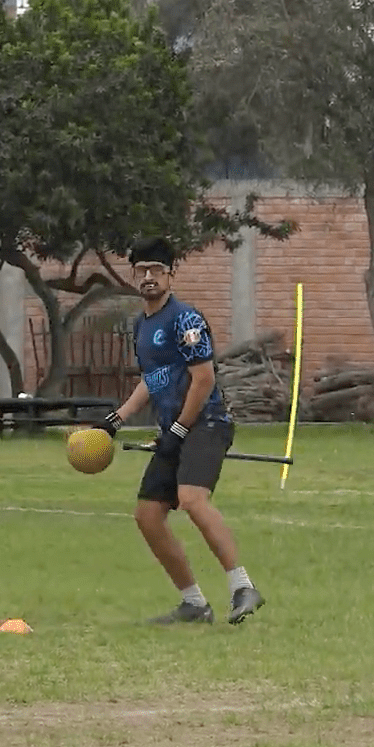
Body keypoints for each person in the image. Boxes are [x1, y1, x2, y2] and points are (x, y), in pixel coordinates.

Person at [93, 237, 262, 626]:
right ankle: (194, 604)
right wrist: (115, 420)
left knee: (192, 499)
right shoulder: (141, 325)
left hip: (207, 424)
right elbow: (152, 380)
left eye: (156, 269)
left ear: (171, 274)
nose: (148, 277)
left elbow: (203, 380)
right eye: (141, 270)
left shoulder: (186, 320)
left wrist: (181, 428)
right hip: (175, 430)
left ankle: (243, 587)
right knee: (147, 515)